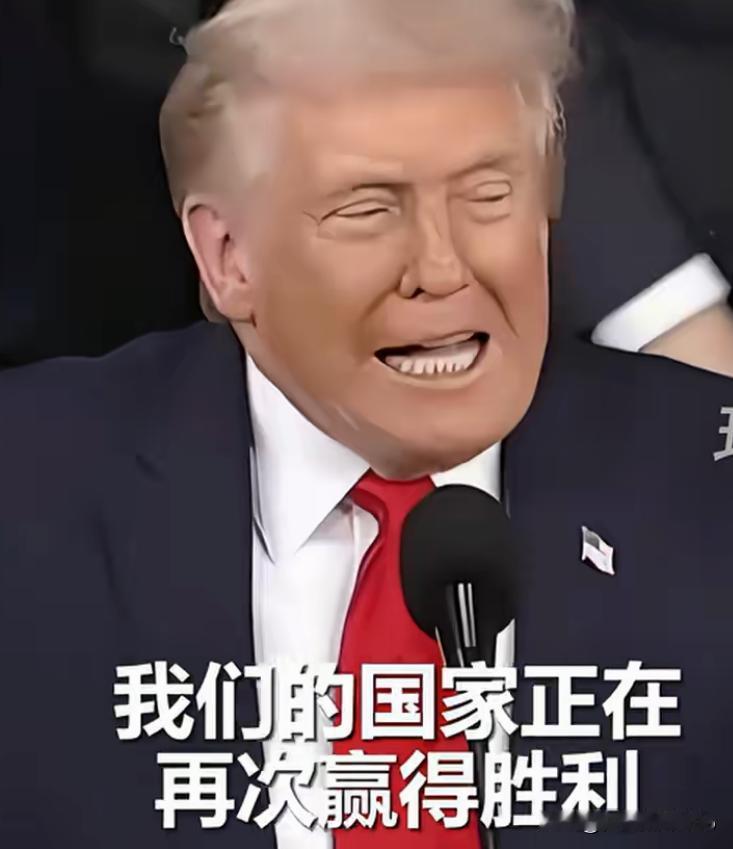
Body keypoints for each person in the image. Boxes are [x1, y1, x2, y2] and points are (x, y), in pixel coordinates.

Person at [0, 1, 731, 847]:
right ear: (228, 256)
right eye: (367, 210)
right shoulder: (28, 487)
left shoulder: (707, 487)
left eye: (488, 196)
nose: (441, 268)